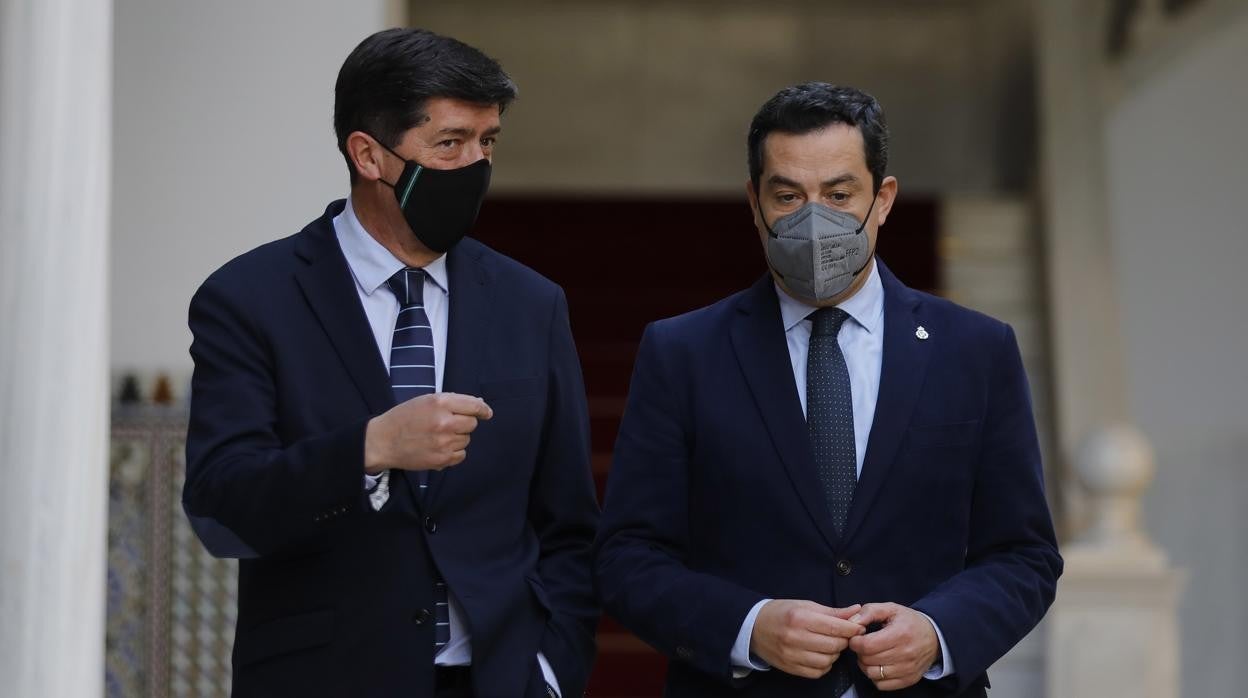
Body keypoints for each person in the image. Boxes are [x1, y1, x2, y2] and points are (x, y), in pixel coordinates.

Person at [594, 82, 1062, 697]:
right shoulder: (682, 352)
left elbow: (1024, 554)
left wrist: (938, 631)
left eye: (840, 194)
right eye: (788, 196)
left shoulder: (976, 350)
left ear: (883, 199)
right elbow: (628, 556)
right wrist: (749, 627)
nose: (814, 218)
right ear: (754, 203)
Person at [183, 28, 599, 698]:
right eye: (450, 143)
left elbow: (569, 525)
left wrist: (552, 668)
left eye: (487, 142)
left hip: (497, 680)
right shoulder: (249, 299)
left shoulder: (532, 304)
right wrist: (370, 448)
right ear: (369, 155)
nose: (476, 165)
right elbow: (220, 505)